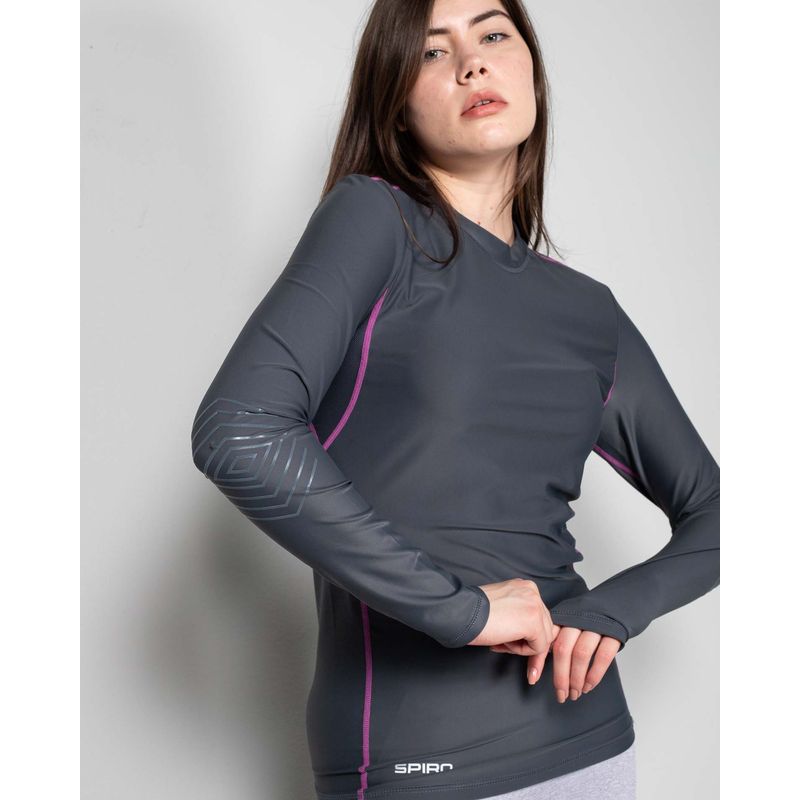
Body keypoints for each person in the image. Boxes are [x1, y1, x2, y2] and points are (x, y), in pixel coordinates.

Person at [190, 1, 719, 798]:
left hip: (592, 744)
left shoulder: (589, 311)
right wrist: (459, 611)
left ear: (531, 69)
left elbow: (721, 512)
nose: (473, 62)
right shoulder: (376, 220)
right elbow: (241, 430)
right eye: (432, 52)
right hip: (421, 754)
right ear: (395, 106)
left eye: (493, 34)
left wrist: (614, 610)